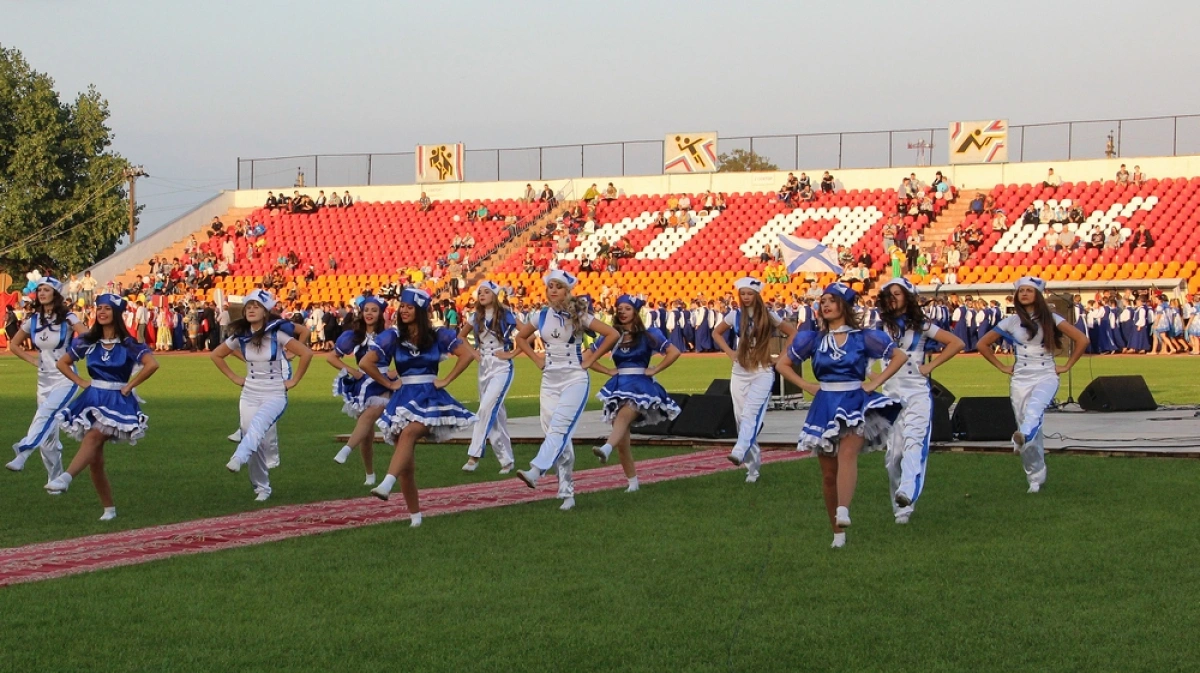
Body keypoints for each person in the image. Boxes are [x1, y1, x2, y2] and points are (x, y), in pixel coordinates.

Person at [773, 283, 905, 548]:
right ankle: (837, 533)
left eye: (831, 300)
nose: (825, 305)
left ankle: (844, 509)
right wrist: (807, 386)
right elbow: (782, 364)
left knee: (847, 454)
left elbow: (899, 356)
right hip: (825, 404)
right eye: (822, 301)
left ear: (843, 306)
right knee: (828, 474)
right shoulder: (812, 338)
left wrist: (873, 382)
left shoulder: (863, 337)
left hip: (856, 400)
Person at [359, 288, 477, 526]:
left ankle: (386, 484)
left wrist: (446, 379)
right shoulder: (392, 336)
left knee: (411, 431)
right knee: (406, 462)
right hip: (403, 397)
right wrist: (388, 383)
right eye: (402, 306)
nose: (403, 310)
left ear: (421, 311)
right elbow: (365, 362)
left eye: (409, 307)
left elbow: (466, 355)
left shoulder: (438, 335)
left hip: (430, 396)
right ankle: (415, 516)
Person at [45, 294, 160, 521]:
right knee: (95, 460)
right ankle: (109, 509)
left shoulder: (128, 344)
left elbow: (152, 364)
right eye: (99, 308)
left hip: (117, 400)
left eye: (107, 308)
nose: (102, 312)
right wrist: (81, 382)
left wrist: (129, 387)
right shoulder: (89, 341)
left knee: (95, 437)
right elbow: (62, 363)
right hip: (92, 397)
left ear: (116, 314)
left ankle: (65, 477)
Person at [512, 271, 619, 511]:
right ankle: (567, 492)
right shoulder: (540, 315)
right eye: (550, 286)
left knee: (559, 428)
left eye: (558, 287)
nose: (552, 290)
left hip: (574, 378)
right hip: (549, 378)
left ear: (567, 291)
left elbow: (612, 334)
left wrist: (591, 361)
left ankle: (536, 470)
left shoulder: (579, 314)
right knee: (556, 433)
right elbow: (520, 339)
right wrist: (536, 360)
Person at [976, 277, 1089, 493]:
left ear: (1038, 294)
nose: (1025, 294)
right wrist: (1001, 366)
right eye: (1021, 291)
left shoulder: (1052, 318)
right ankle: (1035, 475)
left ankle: (1023, 436)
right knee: (1027, 426)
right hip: (1020, 377)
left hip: (1046, 373)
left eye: (1029, 290)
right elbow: (982, 344)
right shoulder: (1010, 321)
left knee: (1035, 410)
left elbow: (1082, 339)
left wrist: (1067, 365)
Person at [875, 278, 965, 524]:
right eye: (889, 294)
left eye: (898, 293)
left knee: (914, 444)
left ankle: (906, 498)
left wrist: (931, 366)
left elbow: (956, 342)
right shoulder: (879, 325)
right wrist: (869, 378)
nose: (892, 298)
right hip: (890, 397)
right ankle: (899, 502)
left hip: (916, 394)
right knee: (893, 457)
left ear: (908, 297)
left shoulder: (922, 325)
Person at [211, 290, 313, 501]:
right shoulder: (240, 336)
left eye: (256, 306)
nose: (251, 309)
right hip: (249, 392)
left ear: (266, 311)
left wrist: (294, 381)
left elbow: (307, 353)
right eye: (248, 306)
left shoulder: (277, 333)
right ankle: (262, 487)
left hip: (274, 392)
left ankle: (239, 456)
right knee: (251, 433)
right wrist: (234, 377)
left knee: (257, 427)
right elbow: (216, 355)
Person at [589, 295, 682, 492]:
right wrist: (607, 371)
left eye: (627, 309)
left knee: (624, 416)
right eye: (619, 308)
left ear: (635, 312)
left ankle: (606, 448)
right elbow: (587, 358)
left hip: (640, 385)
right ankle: (632, 482)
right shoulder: (611, 335)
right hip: (618, 384)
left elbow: (674, 352)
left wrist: (655, 369)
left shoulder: (650, 334)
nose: (622, 312)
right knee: (622, 440)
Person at [712, 277, 798, 483]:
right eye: (743, 294)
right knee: (741, 417)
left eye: (749, 294)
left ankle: (740, 450)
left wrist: (783, 358)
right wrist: (729, 353)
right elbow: (716, 333)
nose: (746, 297)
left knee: (751, 414)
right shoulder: (735, 315)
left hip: (762, 370)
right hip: (740, 370)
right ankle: (753, 467)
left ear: (757, 295)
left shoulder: (768, 315)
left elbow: (792, 333)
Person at [6, 277, 88, 479]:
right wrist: (33, 361)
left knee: (44, 415)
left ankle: (23, 452)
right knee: (48, 438)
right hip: (43, 381)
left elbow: (88, 336)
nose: (42, 293)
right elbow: (14, 345)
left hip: (65, 379)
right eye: (40, 290)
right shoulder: (32, 320)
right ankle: (55, 479)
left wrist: (74, 351)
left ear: (56, 294)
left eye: (46, 290)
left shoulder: (68, 318)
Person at [328, 296, 393, 486]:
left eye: (374, 310)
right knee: (366, 434)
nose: (370, 314)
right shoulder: (354, 335)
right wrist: (353, 371)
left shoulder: (389, 335)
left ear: (380, 313)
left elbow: (405, 359)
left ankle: (346, 449)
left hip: (382, 381)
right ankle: (370, 473)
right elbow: (332, 357)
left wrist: (393, 373)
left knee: (370, 415)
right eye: (366, 310)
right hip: (363, 383)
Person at [459, 281, 521, 474]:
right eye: (480, 292)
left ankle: (473, 455)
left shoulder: (506, 314)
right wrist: (474, 353)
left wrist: (512, 353)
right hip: (484, 365)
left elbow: (527, 333)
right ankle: (507, 460)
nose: (482, 295)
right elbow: (461, 337)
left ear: (495, 295)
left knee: (485, 408)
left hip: (501, 365)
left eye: (487, 292)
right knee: (497, 416)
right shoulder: (475, 316)